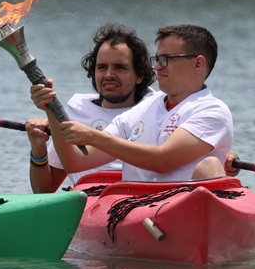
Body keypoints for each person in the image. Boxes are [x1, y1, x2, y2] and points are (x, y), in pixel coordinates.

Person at [30, 23, 232, 183]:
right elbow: (76, 162)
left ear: (198, 64)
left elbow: (162, 161)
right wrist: (51, 108)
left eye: (166, 59)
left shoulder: (212, 110)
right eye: (157, 59)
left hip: (179, 210)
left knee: (210, 166)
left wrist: (93, 136)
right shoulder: (142, 109)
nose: (157, 67)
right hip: (135, 209)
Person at [26, 22, 156, 192]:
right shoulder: (75, 112)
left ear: (140, 75)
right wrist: (38, 149)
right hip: (86, 201)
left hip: (140, 200)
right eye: (102, 67)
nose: (109, 75)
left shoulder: (157, 109)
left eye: (120, 67)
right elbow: (44, 191)